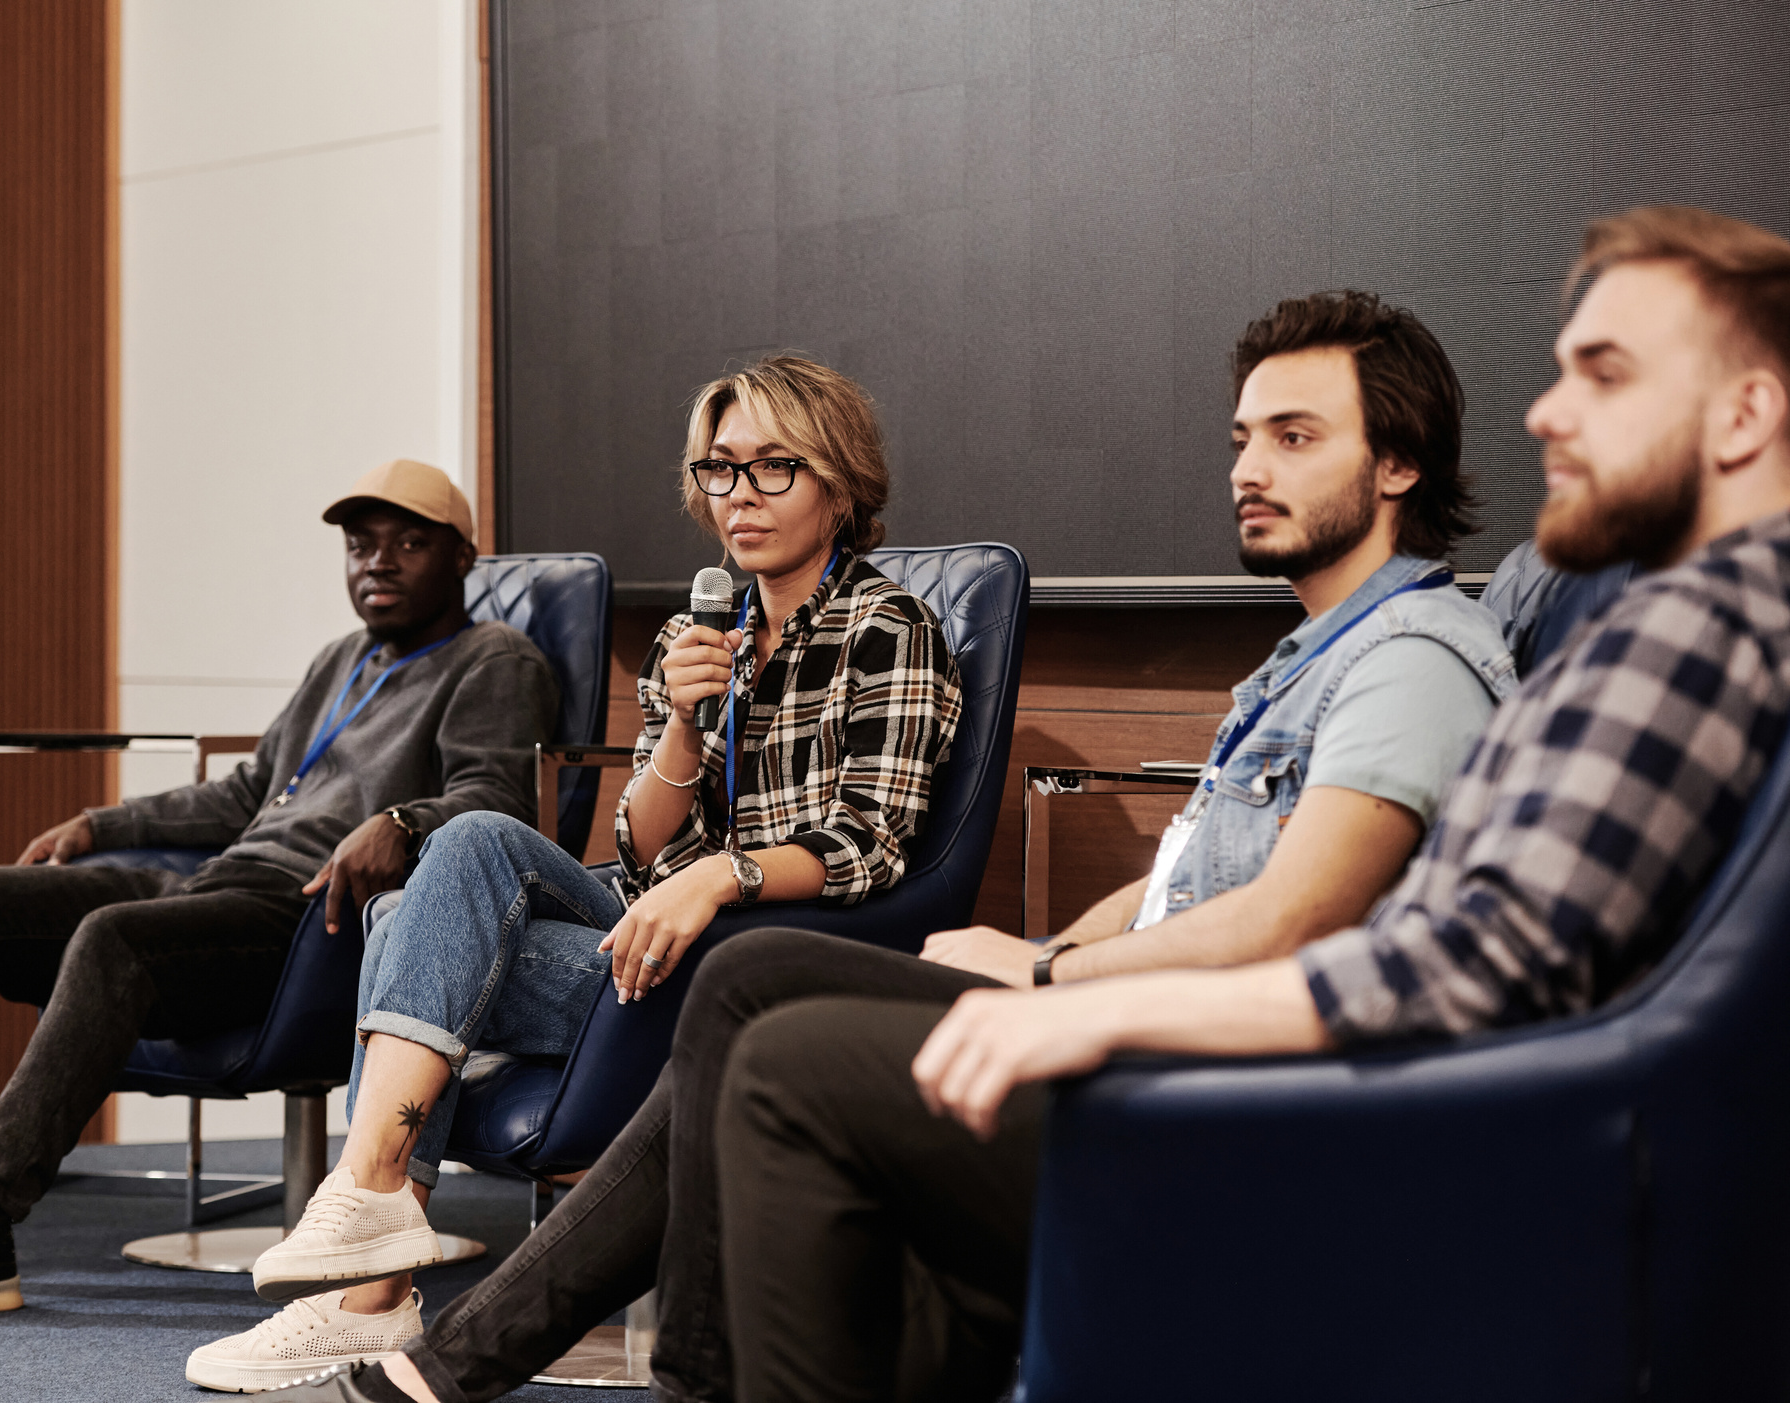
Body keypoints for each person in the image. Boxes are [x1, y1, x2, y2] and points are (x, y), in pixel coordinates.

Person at [247, 288, 1525, 1403]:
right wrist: (1040, 938)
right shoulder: (1302, 664)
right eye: (1242, 436)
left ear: (1398, 462)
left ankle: (451, 1334)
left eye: (1294, 437)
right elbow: (1187, 869)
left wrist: (1032, 978)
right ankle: (398, 1250)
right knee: (461, 850)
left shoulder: (1412, 659)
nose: (1248, 465)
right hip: (807, 955)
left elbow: (1291, 919)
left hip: (1173, 1063)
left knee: (743, 981)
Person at [683, 204, 1790, 1399]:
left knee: (795, 1063)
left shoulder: (1689, 619)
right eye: (1240, 438)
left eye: (1603, 373)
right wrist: (1061, 964)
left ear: (1746, 413)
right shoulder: (1661, 616)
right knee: (800, 1037)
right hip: (1398, 1100)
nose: (1543, 412)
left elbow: (1460, 963)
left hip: (1389, 1137)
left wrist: (1079, 1002)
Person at [182, 354, 964, 1393]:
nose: (740, 495)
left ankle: (369, 1273)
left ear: (840, 480)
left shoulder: (889, 630)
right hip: (648, 934)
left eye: (775, 467)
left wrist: (720, 876)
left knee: (417, 918)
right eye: (721, 469)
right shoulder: (701, 632)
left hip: (756, 959)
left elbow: (872, 843)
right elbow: (643, 844)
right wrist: (682, 719)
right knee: (442, 869)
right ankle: (372, 1222)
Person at [0, 458, 559, 1325]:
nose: (378, 561)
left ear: (464, 560)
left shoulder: (494, 658)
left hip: (315, 920)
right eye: (362, 544)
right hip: (227, 885)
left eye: (410, 543)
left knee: (115, 937)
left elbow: (495, 804)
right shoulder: (343, 658)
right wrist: (99, 825)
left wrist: (404, 822)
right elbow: (244, 794)